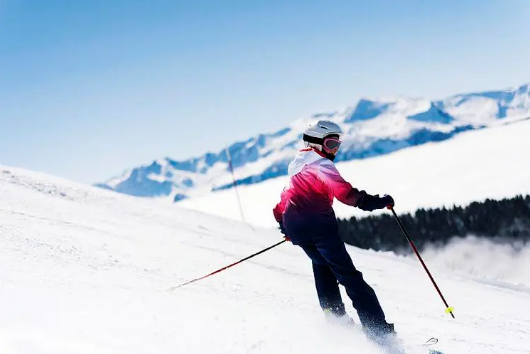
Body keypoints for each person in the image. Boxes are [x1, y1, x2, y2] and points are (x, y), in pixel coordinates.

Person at [272, 120, 395, 339]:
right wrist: (378, 201)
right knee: (350, 277)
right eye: (330, 145)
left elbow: (283, 201)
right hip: (320, 227)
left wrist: (286, 226)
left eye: (337, 146)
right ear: (315, 143)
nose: (334, 151)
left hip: (297, 228)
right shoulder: (321, 165)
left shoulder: (297, 165)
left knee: (321, 265)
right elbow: (346, 194)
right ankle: (379, 333)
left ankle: (335, 318)